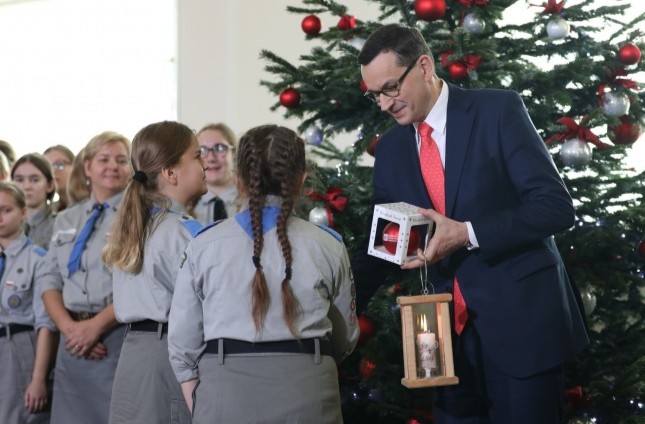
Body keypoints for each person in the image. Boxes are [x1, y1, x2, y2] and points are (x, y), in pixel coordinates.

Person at [356, 24, 589, 423]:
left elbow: (554, 207)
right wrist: (335, 304)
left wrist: (466, 233)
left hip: (522, 329)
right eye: (374, 94)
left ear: (424, 66)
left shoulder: (498, 110)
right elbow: (383, 245)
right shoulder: (392, 149)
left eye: (390, 88)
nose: (383, 104)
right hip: (443, 347)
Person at [168, 124, 359, 423]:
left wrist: (203, 403)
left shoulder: (203, 245)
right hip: (308, 386)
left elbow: (183, 341)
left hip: (225, 389)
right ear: (301, 179)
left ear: (239, 179)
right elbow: (345, 338)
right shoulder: (327, 245)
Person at [102, 121, 206, 424]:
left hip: (134, 353)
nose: (204, 164)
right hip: (170, 354)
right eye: (197, 156)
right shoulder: (181, 231)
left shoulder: (134, 222)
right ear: (170, 173)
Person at [38, 131, 132, 424]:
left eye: (121, 160)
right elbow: (50, 280)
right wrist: (70, 329)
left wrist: (94, 328)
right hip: (72, 344)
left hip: (115, 337)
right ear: (87, 167)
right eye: (103, 159)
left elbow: (137, 284)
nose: (112, 166)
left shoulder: (137, 217)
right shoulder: (67, 218)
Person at [0, 181, 57, 424]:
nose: (0, 217)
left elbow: (45, 324)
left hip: (19, 347)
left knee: (17, 417)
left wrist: (38, 378)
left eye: (6, 210)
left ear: (23, 212)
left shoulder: (38, 258)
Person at [191, 123, 239, 225]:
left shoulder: (251, 203)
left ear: (234, 153)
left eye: (220, 148)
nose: (211, 158)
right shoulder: (186, 207)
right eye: (202, 150)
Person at [12, 154, 57, 249]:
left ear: (50, 185)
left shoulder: (60, 224)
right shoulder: (5, 224)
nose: (26, 186)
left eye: (35, 180)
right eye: (19, 180)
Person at [43, 145, 75, 213]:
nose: (53, 171)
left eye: (59, 165)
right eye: (48, 167)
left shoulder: (91, 204)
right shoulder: (49, 212)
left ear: (74, 166)